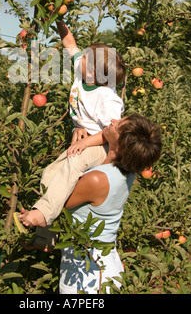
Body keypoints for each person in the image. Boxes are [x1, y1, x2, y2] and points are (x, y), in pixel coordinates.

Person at [14, 18, 126, 250]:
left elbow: (113, 132)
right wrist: (56, 16)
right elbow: (69, 42)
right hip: (86, 139)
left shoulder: (108, 97)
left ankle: (43, 213)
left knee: (73, 164)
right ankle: (46, 239)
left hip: (101, 145)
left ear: (93, 71)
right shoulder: (83, 71)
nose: (79, 57)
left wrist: (86, 144)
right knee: (50, 174)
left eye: (85, 57)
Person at [58, 113, 162, 294]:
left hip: (86, 276)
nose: (113, 120)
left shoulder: (97, 180)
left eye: (119, 126)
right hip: (106, 265)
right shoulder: (126, 170)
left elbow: (57, 199)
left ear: (122, 146)